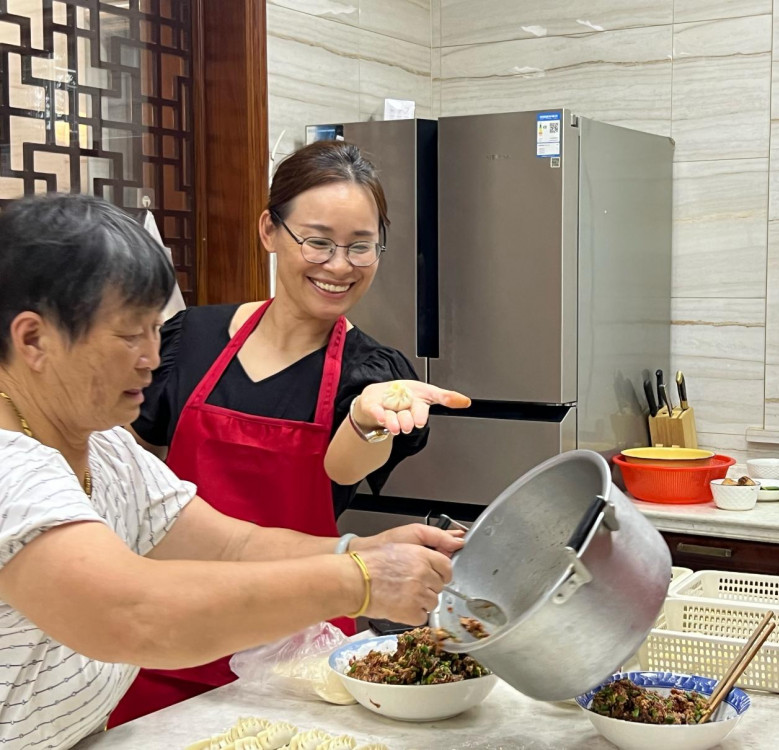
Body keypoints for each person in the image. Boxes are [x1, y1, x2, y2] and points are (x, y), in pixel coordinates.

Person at [0, 193, 461, 749]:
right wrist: (358, 581)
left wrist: (362, 549)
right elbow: (134, 614)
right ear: (33, 339)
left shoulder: (106, 449)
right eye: (129, 335)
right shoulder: (11, 466)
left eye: (154, 328)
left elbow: (230, 546)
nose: (151, 356)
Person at [110, 140, 471, 724]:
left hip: (297, 657)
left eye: (361, 247)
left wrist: (365, 419)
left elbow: (344, 468)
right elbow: (128, 470)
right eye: (319, 241)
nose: (339, 265)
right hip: (167, 641)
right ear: (269, 231)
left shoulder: (371, 373)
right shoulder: (189, 341)